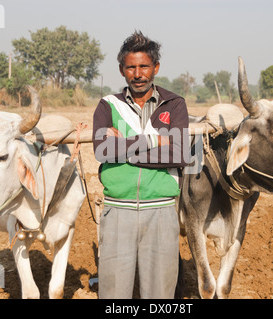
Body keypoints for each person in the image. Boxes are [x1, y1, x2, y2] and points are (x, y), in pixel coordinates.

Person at [92, 31, 189, 299]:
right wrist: (155, 141)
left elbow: (180, 155)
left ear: (155, 68)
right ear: (121, 70)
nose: (138, 74)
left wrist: (125, 148)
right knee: (113, 294)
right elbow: (102, 150)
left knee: (159, 294)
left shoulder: (175, 103)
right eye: (131, 67)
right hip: (117, 211)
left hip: (161, 210)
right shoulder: (107, 105)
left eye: (144, 66)